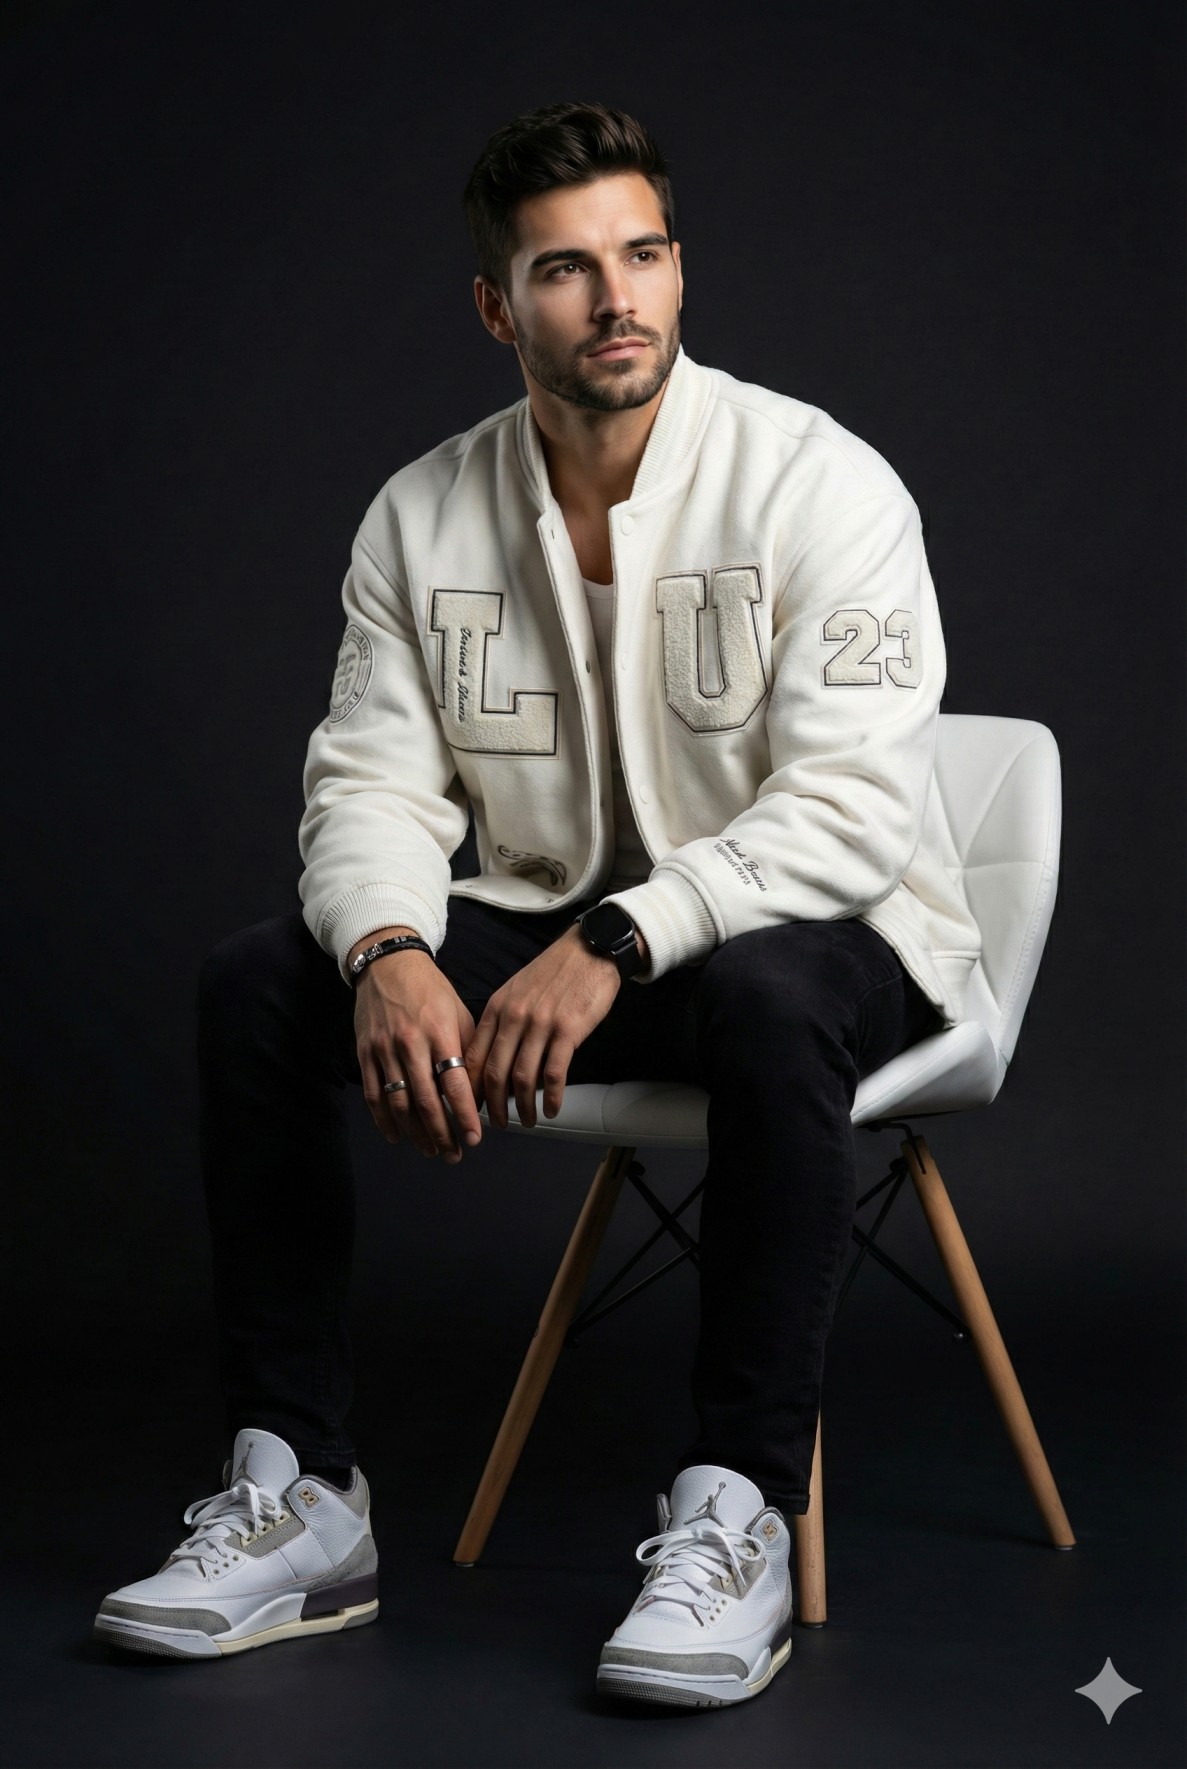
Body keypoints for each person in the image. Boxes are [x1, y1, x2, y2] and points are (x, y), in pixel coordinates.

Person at [94, 102, 980, 1706]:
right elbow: (367, 785)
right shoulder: (420, 515)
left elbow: (851, 811)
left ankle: (740, 1511)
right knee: (257, 979)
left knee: (778, 1001)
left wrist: (620, 936)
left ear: (680, 268)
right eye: (567, 270)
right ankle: (299, 1492)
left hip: (823, 937)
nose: (617, 298)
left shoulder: (820, 481)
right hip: (552, 920)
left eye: (643, 255)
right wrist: (384, 949)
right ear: (501, 308)